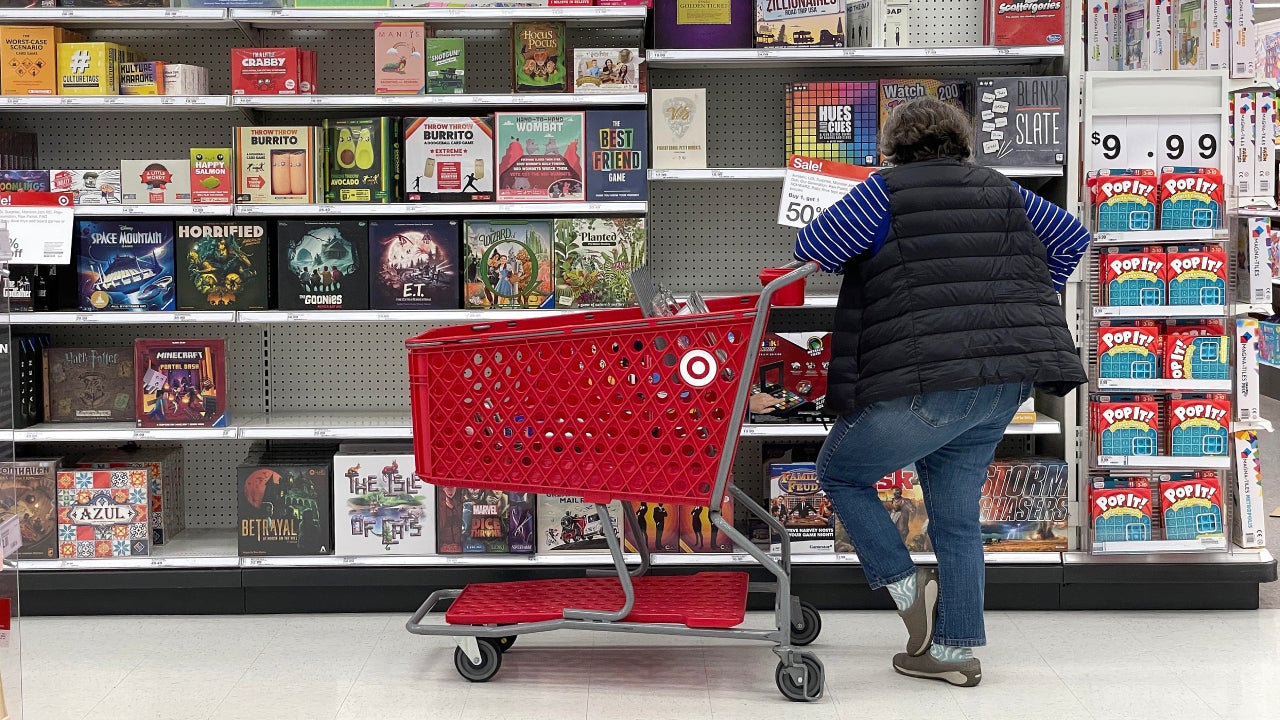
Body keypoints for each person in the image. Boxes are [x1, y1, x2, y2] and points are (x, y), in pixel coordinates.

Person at [793, 98, 1089, 687]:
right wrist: (1023, 293)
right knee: (956, 521)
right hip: (1003, 384)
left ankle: (908, 592)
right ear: (963, 144)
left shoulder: (884, 193)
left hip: (926, 382)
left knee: (841, 473)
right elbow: (1073, 238)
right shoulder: (1005, 191)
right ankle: (953, 655)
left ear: (893, 149)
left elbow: (813, 247)